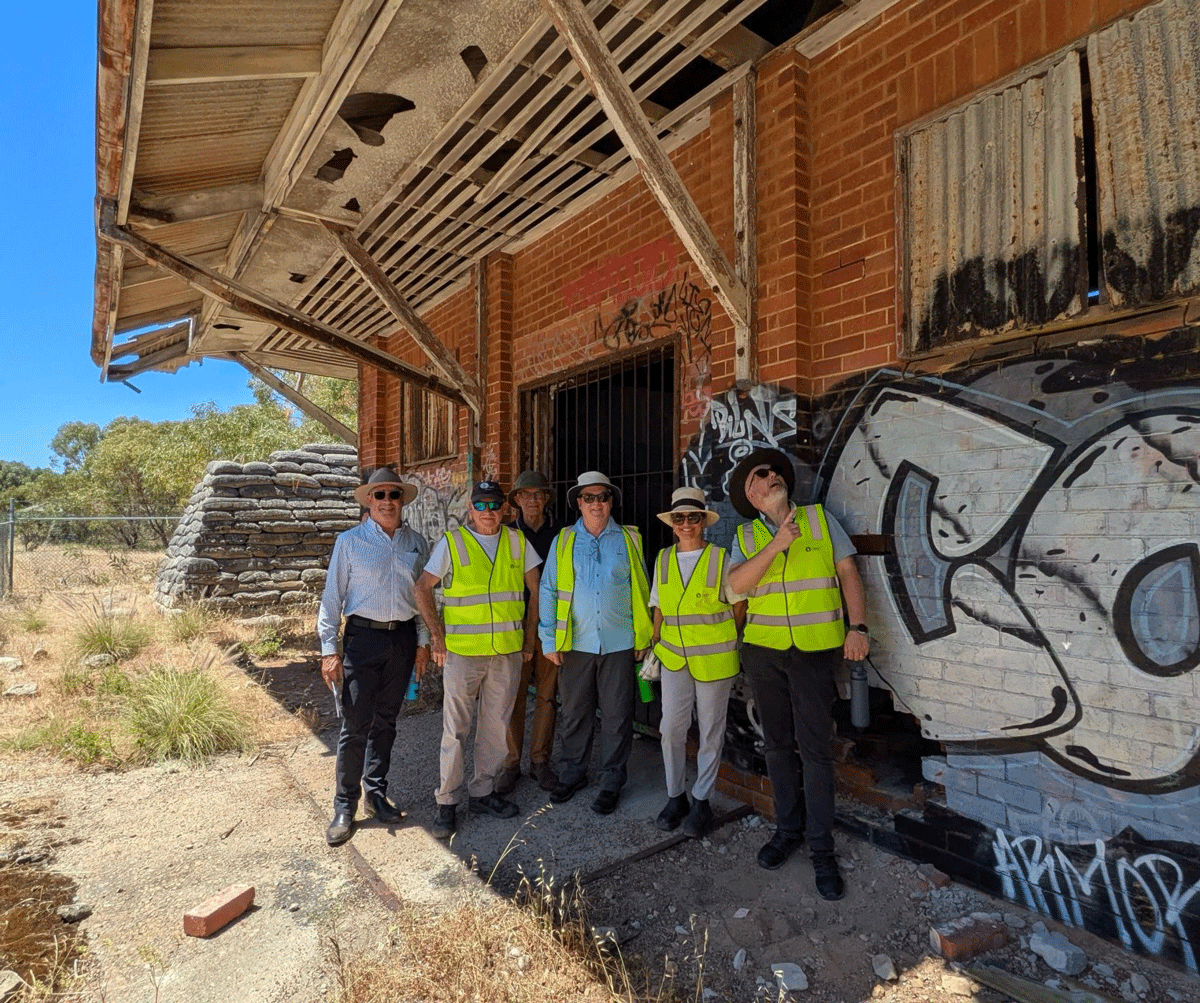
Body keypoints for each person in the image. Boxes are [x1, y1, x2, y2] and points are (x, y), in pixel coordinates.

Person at [726, 448, 869, 901]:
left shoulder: (820, 520)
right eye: (758, 476)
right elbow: (735, 587)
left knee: (815, 751)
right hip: (764, 653)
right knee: (777, 746)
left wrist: (858, 626)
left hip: (813, 653)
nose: (770, 477)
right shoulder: (747, 535)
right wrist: (776, 544)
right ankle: (787, 829)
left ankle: (821, 848)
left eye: (772, 471)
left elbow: (848, 572)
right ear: (750, 495)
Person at [415, 480, 542, 839]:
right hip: (462, 654)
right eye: (481, 505)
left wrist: (529, 638)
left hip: (506, 651)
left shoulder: (518, 542)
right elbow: (421, 587)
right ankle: (447, 801)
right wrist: (437, 637)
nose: (488, 512)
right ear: (470, 509)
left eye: (494, 505)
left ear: (504, 509)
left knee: (496, 726)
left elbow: (536, 590)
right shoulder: (453, 542)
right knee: (455, 729)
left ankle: (483, 791)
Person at [317, 467, 431, 847]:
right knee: (355, 724)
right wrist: (329, 649)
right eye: (379, 495)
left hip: (400, 640)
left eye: (393, 495)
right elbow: (332, 597)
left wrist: (422, 643)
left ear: (402, 500)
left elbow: (424, 601)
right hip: (362, 638)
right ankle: (345, 806)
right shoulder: (349, 542)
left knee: (387, 722)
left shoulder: (417, 543)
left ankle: (376, 794)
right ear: (368, 500)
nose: (387, 502)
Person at [538, 471, 651, 815]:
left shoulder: (630, 539)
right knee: (574, 712)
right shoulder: (564, 540)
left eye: (602, 497)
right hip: (576, 642)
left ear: (611, 501)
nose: (596, 503)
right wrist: (548, 637)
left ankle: (611, 781)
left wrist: (643, 636)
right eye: (589, 498)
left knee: (618, 715)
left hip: (619, 641)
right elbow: (548, 589)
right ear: (578, 502)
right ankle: (573, 773)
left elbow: (641, 587)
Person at [650, 486, 743, 840]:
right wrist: (655, 641)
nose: (686, 524)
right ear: (672, 523)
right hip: (673, 657)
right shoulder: (662, 559)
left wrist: (727, 638)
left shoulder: (722, 559)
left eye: (693, 517)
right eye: (679, 518)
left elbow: (739, 604)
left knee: (710, 731)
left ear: (703, 521)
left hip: (714, 660)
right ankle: (676, 797)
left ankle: (702, 798)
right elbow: (658, 605)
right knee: (670, 728)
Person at [496, 470, 561, 794]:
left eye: (538, 495)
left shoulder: (562, 535)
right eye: (526, 495)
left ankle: (540, 761)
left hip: (551, 627)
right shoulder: (506, 535)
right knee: (513, 696)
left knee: (548, 696)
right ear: (516, 501)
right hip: (515, 626)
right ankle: (511, 762)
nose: (532, 500)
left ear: (546, 499)